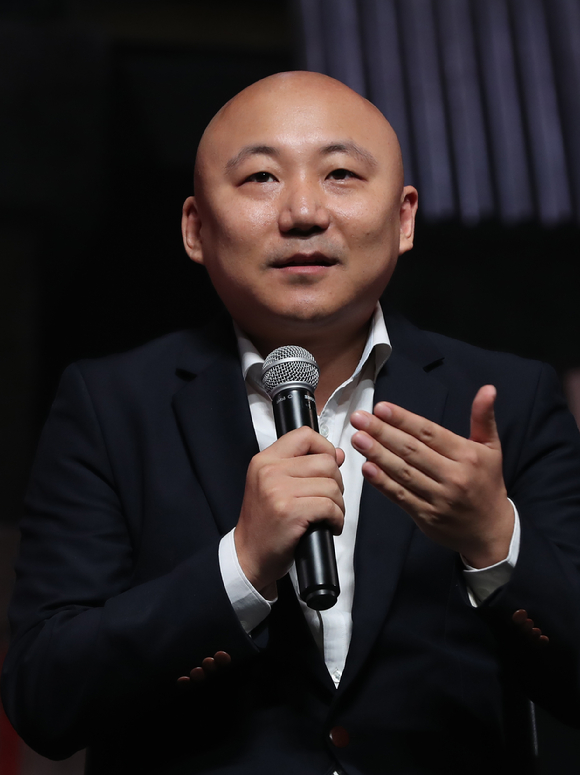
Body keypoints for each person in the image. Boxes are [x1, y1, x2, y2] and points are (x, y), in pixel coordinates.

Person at [3, 71, 580, 775]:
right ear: (196, 228)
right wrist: (240, 566)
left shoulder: (506, 400)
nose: (304, 212)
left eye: (340, 174)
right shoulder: (111, 405)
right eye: (261, 178)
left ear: (404, 219)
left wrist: (494, 541)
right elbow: (44, 699)